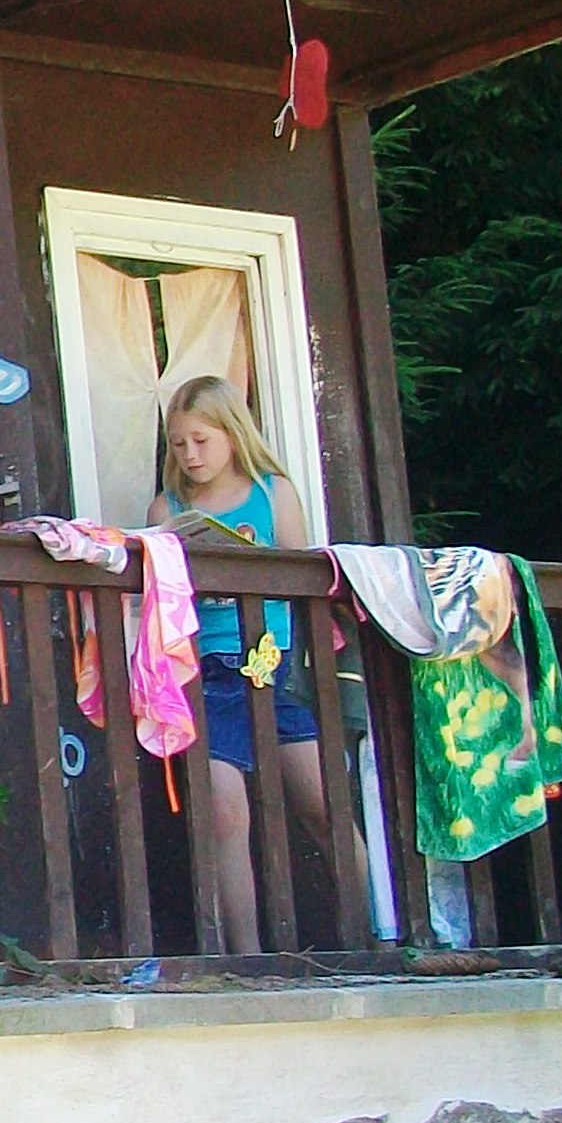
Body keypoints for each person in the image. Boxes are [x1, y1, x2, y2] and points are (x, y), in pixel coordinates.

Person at [146, 375, 355, 953]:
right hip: (208, 671)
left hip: (272, 664)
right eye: (179, 444)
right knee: (224, 812)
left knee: (324, 805)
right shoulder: (168, 507)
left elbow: (305, 576)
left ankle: (377, 935)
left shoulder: (273, 494)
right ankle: (247, 954)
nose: (190, 456)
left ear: (233, 435)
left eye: (202, 441)